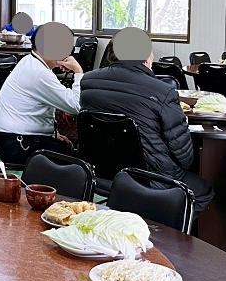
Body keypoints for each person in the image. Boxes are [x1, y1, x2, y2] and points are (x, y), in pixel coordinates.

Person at [80, 49, 214, 212]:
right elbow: (185, 157)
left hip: (101, 172)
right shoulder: (162, 91)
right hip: (150, 177)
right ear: (146, 59)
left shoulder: (88, 81)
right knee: (203, 190)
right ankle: (165, 232)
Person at [0, 31, 82, 164]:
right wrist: (78, 72)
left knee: (69, 150)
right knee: (81, 162)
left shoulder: (30, 61)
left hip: (14, 138)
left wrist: (50, 134)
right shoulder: (39, 73)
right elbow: (75, 106)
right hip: (20, 145)